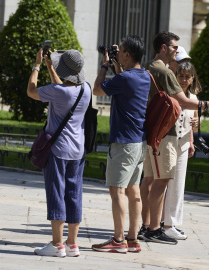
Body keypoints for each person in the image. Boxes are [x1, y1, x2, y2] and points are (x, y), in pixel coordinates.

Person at [139, 31, 209, 245]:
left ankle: (147, 226)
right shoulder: (163, 72)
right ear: (163, 47)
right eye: (173, 47)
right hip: (166, 134)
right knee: (161, 182)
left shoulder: (147, 67)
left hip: (153, 133)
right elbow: (182, 101)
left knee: (152, 180)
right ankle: (154, 229)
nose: (176, 51)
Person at [27, 48, 90, 257]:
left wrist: (37, 66)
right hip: (77, 151)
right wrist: (50, 67)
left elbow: (31, 91)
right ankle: (72, 244)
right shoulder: (86, 89)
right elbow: (62, 87)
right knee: (74, 194)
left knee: (56, 194)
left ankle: (56, 245)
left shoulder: (59, 91)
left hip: (58, 150)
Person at [91, 35, 150, 253]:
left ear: (126, 54)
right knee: (133, 190)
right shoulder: (144, 75)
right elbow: (125, 81)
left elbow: (97, 89)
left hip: (124, 142)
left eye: (121, 51)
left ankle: (118, 240)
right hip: (139, 142)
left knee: (117, 190)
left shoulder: (124, 79)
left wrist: (105, 65)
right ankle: (133, 239)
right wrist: (116, 63)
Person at [163, 61, 200, 240]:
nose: (184, 80)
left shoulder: (194, 99)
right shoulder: (171, 95)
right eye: (181, 76)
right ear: (175, 76)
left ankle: (173, 223)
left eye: (187, 77)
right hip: (167, 144)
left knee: (177, 185)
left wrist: (194, 133)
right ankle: (161, 222)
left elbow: (195, 125)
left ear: (192, 79)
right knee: (162, 183)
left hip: (183, 145)